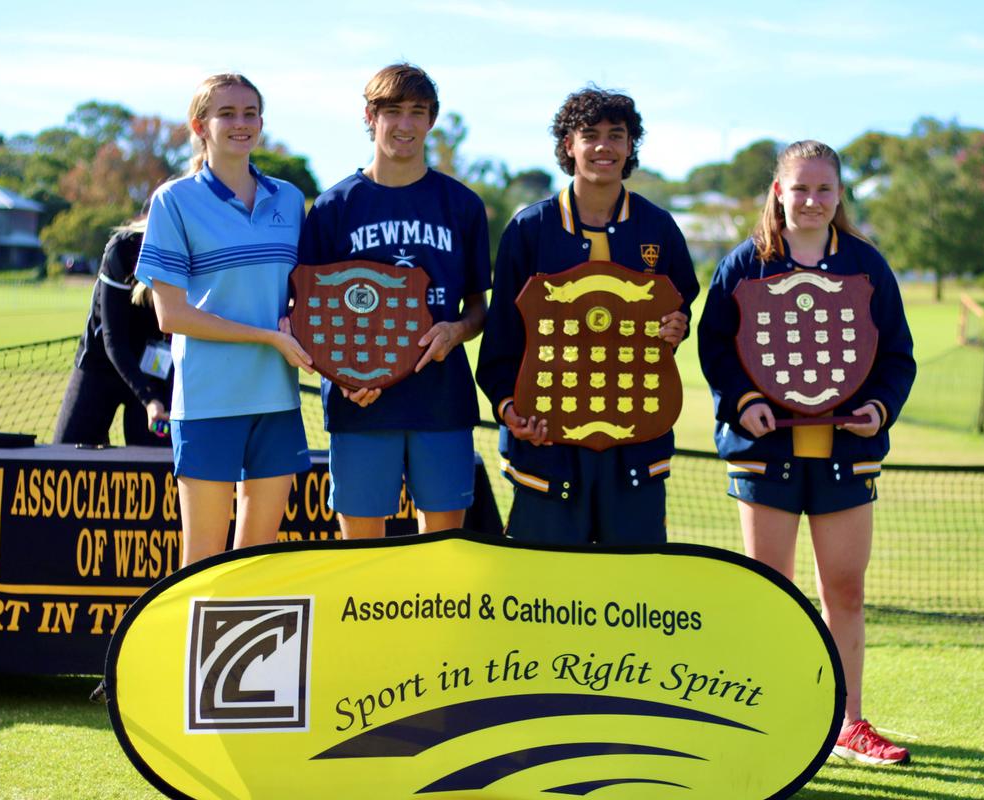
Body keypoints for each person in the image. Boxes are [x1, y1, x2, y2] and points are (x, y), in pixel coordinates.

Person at [697, 140, 916, 765]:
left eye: (824, 189)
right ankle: (767, 716)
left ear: (839, 194)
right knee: (771, 590)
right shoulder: (745, 264)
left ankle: (848, 723)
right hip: (766, 452)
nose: (812, 200)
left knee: (844, 590)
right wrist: (742, 402)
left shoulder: (867, 266)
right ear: (779, 192)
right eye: (800, 188)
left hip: (845, 452)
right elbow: (716, 347)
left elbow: (896, 356)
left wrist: (879, 408)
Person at [476, 87, 699, 545]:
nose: (603, 146)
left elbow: (679, 308)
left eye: (616, 135)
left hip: (635, 444)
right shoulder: (530, 228)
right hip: (548, 445)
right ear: (568, 145)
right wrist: (509, 408)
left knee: (632, 580)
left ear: (631, 145)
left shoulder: (658, 227)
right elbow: (501, 342)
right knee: (545, 580)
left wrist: (678, 327)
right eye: (590, 135)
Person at [297, 63, 490, 540]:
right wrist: (340, 375)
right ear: (370, 116)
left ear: (431, 120)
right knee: (363, 553)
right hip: (361, 402)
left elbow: (478, 308)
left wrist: (456, 331)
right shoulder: (333, 207)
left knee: (442, 550)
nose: (405, 124)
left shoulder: (462, 205)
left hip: (440, 400)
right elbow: (307, 314)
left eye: (417, 112)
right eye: (393, 111)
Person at [135, 73, 313, 566]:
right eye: (227, 113)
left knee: (254, 561)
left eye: (250, 113)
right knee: (203, 561)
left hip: (277, 399)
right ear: (200, 126)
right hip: (208, 401)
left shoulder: (289, 200)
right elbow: (172, 315)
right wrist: (267, 338)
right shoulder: (174, 201)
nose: (241, 123)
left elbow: (305, 296)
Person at [53, 216, 172, 447]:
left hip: (154, 369)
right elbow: (114, 341)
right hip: (101, 365)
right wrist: (149, 399)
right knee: (65, 455)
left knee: (155, 461)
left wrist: (155, 399)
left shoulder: (196, 253)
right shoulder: (123, 249)